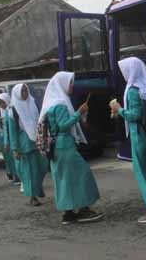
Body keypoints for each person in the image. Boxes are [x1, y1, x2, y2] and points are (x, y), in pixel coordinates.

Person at [39, 71, 103, 225]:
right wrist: (78, 113)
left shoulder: (51, 102)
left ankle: (67, 213)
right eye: (70, 82)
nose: (72, 85)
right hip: (64, 145)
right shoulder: (60, 104)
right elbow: (64, 126)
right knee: (81, 174)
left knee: (64, 180)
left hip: (56, 147)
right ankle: (83, 210)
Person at [111, 57, 146, 223]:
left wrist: (119, 109)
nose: (124, 74)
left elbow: (135, 115)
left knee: (143, 173)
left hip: (139, 136)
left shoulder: (133, 91)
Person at [9, 84, 47, 207]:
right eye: (23, 91)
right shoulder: (13, 110)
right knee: (29, 172)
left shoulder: (32, 103)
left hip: (37, 141)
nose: (25, 93)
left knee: (41, 167)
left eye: (26, 90)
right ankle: (32, 197)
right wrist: (15, 148)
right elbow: (12, 131)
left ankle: (37, 191)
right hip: (24, 145)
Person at [0, 93, 19, 185]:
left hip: (11, 135)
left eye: (2, 102)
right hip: (1, 136)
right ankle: (10, 173)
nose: (1, 104)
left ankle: (16, 175)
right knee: (7, 157)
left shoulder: (11, 109)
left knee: (13, 156)